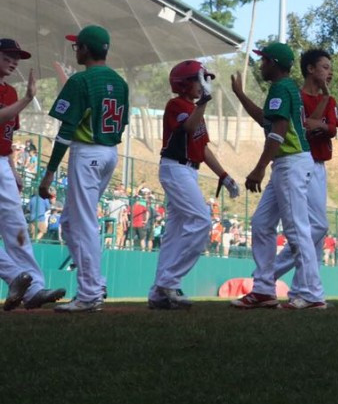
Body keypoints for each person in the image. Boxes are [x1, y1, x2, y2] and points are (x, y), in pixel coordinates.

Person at [39, 26, 129, 313]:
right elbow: (122, 123)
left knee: (83, 223)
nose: (75, 50)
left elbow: (66, 131)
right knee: (69, 223)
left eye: (77, 46)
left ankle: (89, 294)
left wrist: (49, 173)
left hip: (87, 152)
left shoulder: (80, 81)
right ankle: (96, 283)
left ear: (86, 49)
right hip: (110, 153)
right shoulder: (120, 82)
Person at [229, 42, 326, 310]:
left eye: (264, 60)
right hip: (288, 162)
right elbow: (266, 119)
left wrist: (259, 167)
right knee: (261, 223)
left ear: (274, 63)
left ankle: (312, 294)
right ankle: (263, 289)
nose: (261, 65)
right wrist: (240, 95)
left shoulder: (281, 88)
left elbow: (278, 131)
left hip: (291, 162)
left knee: (297, 229)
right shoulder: (285, 87)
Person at [148, 60, 239, 310]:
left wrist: (223, 175)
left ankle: (158, 293)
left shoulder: (194, 107)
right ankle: (168, 282)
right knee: (201, 221)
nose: (203, 84)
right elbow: (188, 127)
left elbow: (203, 148)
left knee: (174, 234)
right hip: (175, 168)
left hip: (188, 171)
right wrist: (204, 103)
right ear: (183, 84)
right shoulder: (176, 104)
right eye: (199, 79)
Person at [0, 38, 65, 310]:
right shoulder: (18, 96)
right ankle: (16, 277)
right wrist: (28, 99)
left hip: (3, 164)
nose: (14, 61)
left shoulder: (10, 91)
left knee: (17, 230)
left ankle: (33, 289)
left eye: (17, 57)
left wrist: (12, 168)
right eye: (8, 55)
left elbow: (7, 134)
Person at [270, 48, 338, 281]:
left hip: (319, 165)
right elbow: (306, 127)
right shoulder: (297, 96)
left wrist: (321, 124)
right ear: (310, 69)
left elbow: (332, 127)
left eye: (330, 68)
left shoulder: (329, 99)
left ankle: (306, 284)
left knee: (317, 232)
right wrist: (320, 123)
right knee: (314, 226)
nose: (330, 72)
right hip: (300, 162)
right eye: (325, 67)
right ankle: (273, 275)